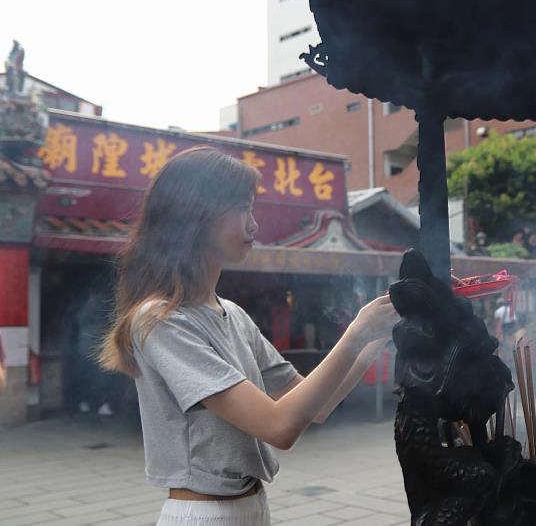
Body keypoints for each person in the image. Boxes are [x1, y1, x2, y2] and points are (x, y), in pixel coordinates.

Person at [98, 147, 397, 526]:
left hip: (251, 506)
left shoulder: (232, 313)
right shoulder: (161, 321)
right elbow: (279, 427)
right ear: (195, 216)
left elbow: (315, 405)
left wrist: (377, 335)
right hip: (204, 514)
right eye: (242, 208)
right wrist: (356, 331)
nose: (254, 225)